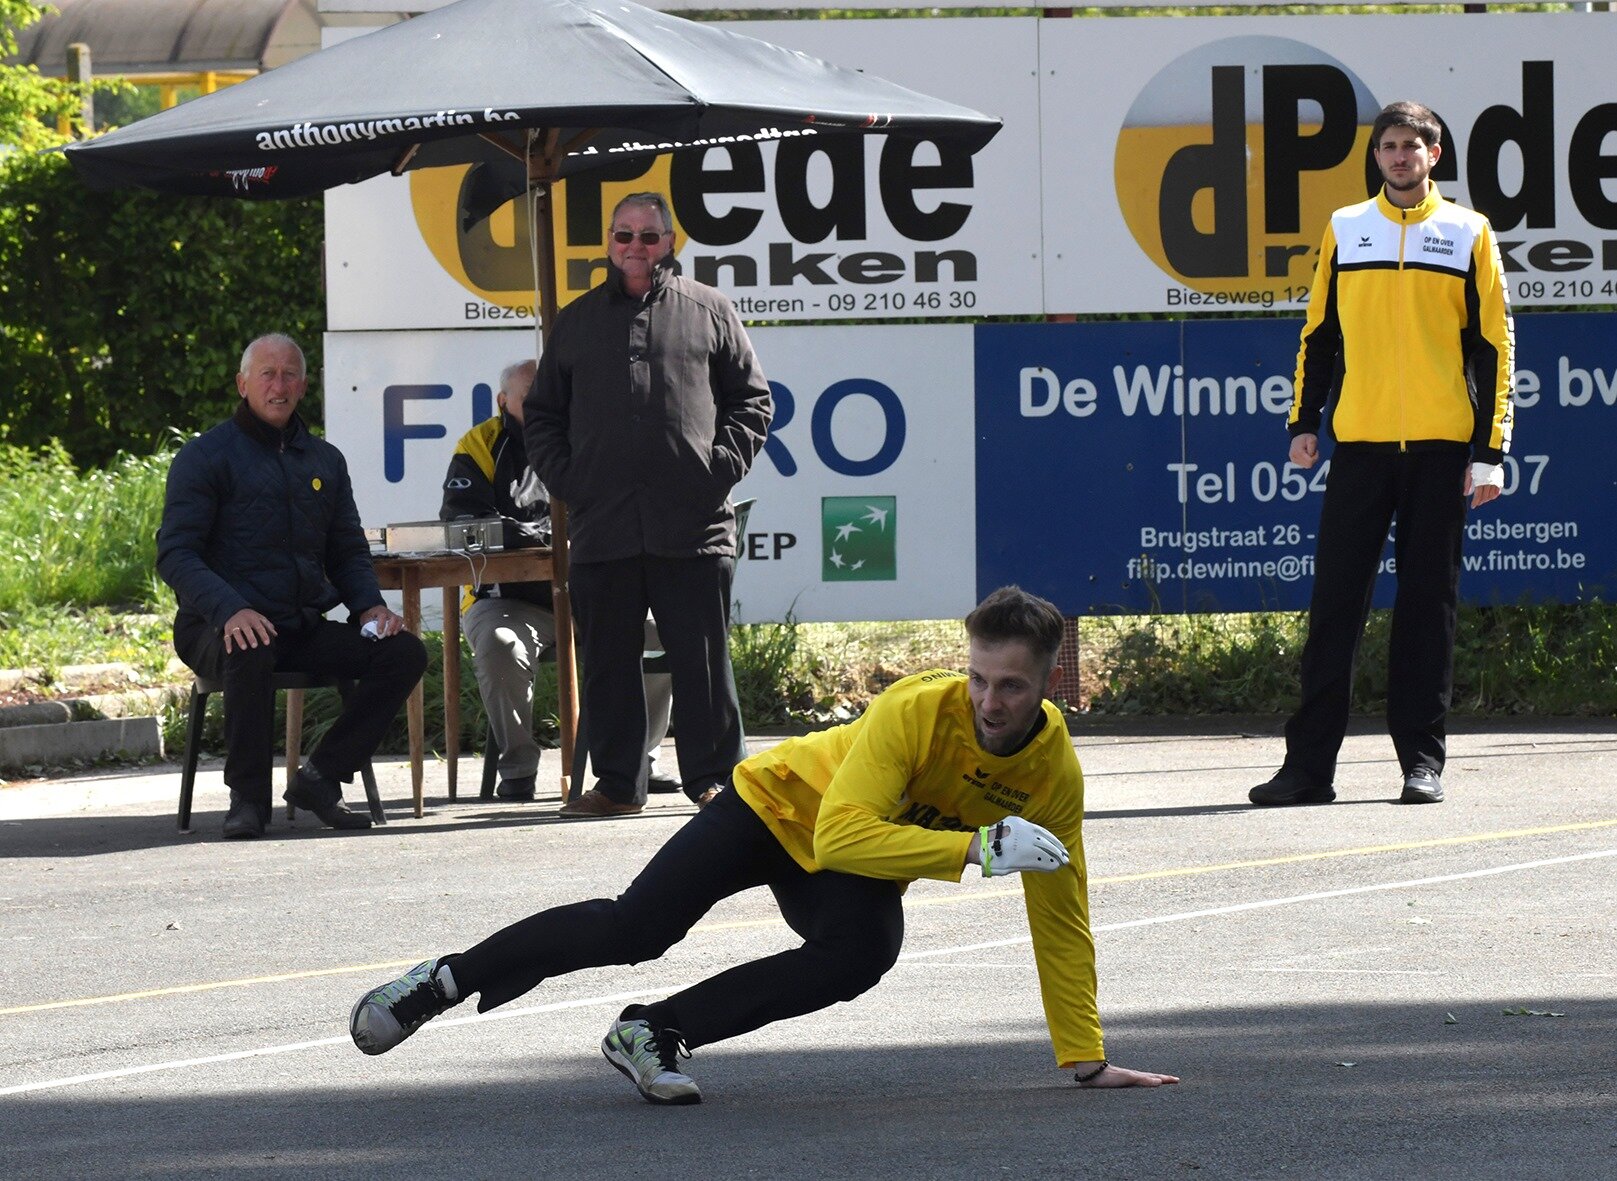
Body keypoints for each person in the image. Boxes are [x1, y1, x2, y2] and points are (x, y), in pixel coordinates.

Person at [349, 586, 1179, 1104]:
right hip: (776, 805)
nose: (989, 701)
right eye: (978, 677)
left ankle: (654, 1031)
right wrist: (974, 849)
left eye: (1012, 686)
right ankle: (442, 979)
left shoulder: (1051, 773)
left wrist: (1084, 1055)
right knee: (637, 928)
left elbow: (1061, 912)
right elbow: (840, 828)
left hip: (850, 859)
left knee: (860, 951)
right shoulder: (917, 711)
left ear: (1049, 684)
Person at [1251, 101, 1515, 809]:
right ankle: (1308, 770)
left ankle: (1421, 763)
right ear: (1376, 157)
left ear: (1434, 155)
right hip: (1361, 447)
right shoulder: (1346, 227)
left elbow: (1493, 346)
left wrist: (1489, 452)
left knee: (1427, 608)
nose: (1400, 157)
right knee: (1334, 607)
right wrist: (1303, 421)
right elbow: (1318, 335)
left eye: (1411, 146)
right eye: (1389, 146)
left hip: (1440, 448)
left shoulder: (1469, 231)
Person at [524, 191, 773, 819]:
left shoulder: (710, 310)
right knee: (607, 663)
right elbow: (543, 416)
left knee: (703, 662)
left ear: (670, 242)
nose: (636, 246)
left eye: (649, 235)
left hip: (692, 525)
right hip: (603, 525)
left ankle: (715, 782)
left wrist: (716, 471)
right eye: (624, 235)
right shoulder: (576, 321)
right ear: (609, 242)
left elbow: (752, 402)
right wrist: (572, 482)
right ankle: (616, 785)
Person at [157, 334, 428, 839]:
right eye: (267, 374)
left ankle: (321, 779)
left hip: (298, 624)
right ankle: (247, 800)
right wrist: (230, 609)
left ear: (303, 387)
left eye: (289, 376)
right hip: (213, 626)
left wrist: (369, 607)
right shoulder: (205, 456)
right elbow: (176, 553)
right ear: (242, 384)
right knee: (250, 644)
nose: (278, 386)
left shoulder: (325, 461)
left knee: (404, 653)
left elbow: (347, 550)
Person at [440, 358, 680, 802]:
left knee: (662, 632)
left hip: (592, 593)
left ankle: (640, 759)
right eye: (530, 396)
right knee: (499, 644)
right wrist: (538, 534)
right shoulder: (479, 444)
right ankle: (518, 768)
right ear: (503, 401)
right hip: (507, 599)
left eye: (549, 392)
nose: (544, 403)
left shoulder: (592, 434)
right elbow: (463, 521)